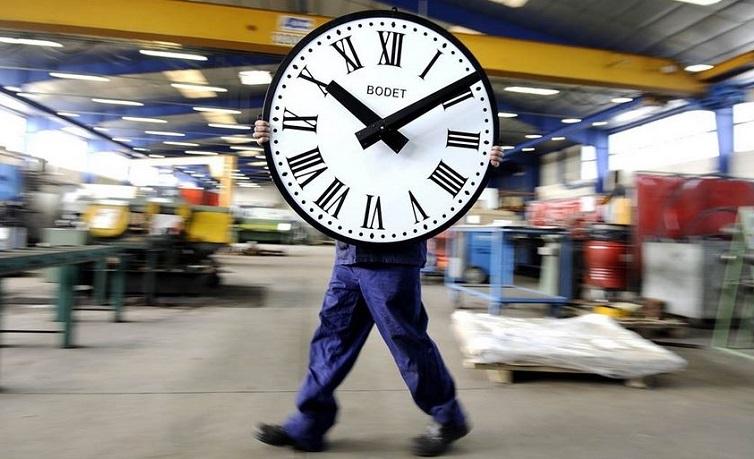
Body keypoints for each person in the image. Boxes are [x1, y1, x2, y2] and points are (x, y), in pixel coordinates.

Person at [253, 119, 504, 457]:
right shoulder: (344, 120)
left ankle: (448, 417)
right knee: (331, 339)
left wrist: (481, 162)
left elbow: (446, 161)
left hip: (393, 255)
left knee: (406, 340)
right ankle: (308, 425)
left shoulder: (423, 125)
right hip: (349, 252)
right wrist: (275, 141)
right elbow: (319, 153)